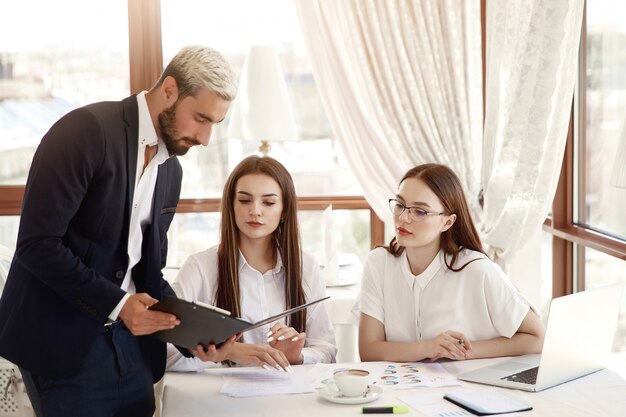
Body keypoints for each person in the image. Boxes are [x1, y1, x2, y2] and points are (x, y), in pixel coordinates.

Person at [0, 45, 239, 417]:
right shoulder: (85, 131)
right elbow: (37, 244)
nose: (206, 138)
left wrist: (197, 336)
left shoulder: (171, 171)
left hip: (133, 346)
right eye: (201, 119)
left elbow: (147, 271)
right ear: (170, 90)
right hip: (64, 342)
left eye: (215, 125)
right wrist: (119, 304)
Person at [358, 163, 545, 362]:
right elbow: (369, 350)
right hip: (399, 390)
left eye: (420, 211)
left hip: (465, 388)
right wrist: (427, 348)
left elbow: (537, 338)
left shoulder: (477, 270)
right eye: (400, 205)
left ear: (447, 222)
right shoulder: (378, 264)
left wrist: (462, 351)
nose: (403, 218)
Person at [166, 155, 336, 372]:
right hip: (218, 400)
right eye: (245, 200)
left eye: (269, 202)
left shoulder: (306, 266)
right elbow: (162, 353)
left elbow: (328, 351)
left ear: (284, 210)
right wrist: (228, 352)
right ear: (231, 205)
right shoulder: (200, 267)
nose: (255, 210)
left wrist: (298, 356)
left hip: (287, 395)